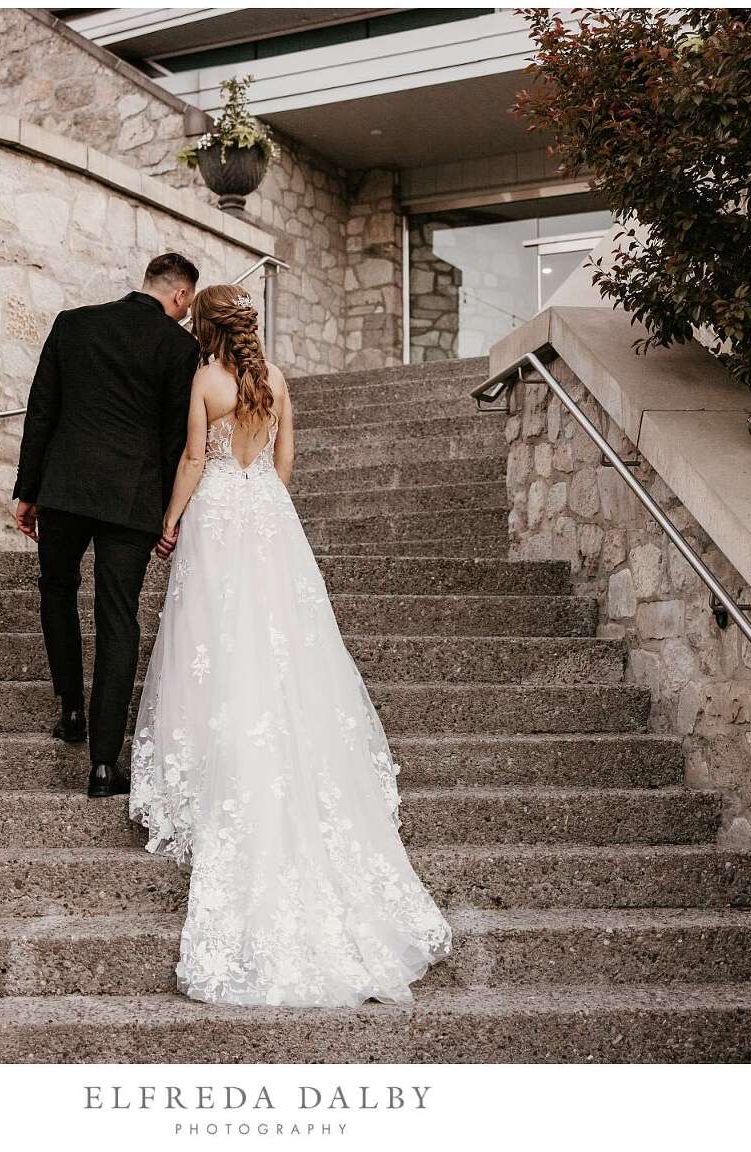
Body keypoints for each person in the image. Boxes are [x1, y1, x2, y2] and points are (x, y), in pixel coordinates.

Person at [127, 283, 452, 1007]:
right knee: (281, 641)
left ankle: (213, 763)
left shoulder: (204, 380)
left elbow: (188, 459)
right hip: (269, 515)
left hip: (216, 511)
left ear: (204, 328)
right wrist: (265, 510)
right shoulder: (273, 381)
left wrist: (172, 523)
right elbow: (285, 461)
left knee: (213, 640)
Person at [12, 253, 201, 799]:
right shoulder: (179, 347)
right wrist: (170, 514)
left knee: (57, 590)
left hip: (65, 490)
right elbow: (174, 439)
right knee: (118, 620)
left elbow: (41, 409)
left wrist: (29, 491)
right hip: (132, 498)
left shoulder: (74, 324)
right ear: (182, 296)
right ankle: (102, 766)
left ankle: (71, 707)